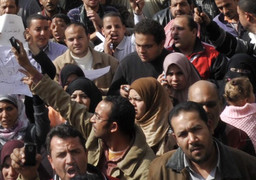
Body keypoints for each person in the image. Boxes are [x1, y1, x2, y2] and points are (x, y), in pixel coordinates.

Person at [13, 42, 154, 180]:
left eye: (97, 117)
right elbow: (64, 103)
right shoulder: (95, 133)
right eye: (61, 155)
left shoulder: (144, 169)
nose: (91, 118)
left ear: (113, 127)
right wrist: (29, 67)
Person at [149, 102, 256, 180]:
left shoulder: (251, 169)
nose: (192, 139)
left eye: (196, 129)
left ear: (210, 127)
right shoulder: (160, 171)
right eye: (183, 134)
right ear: (176, 139)